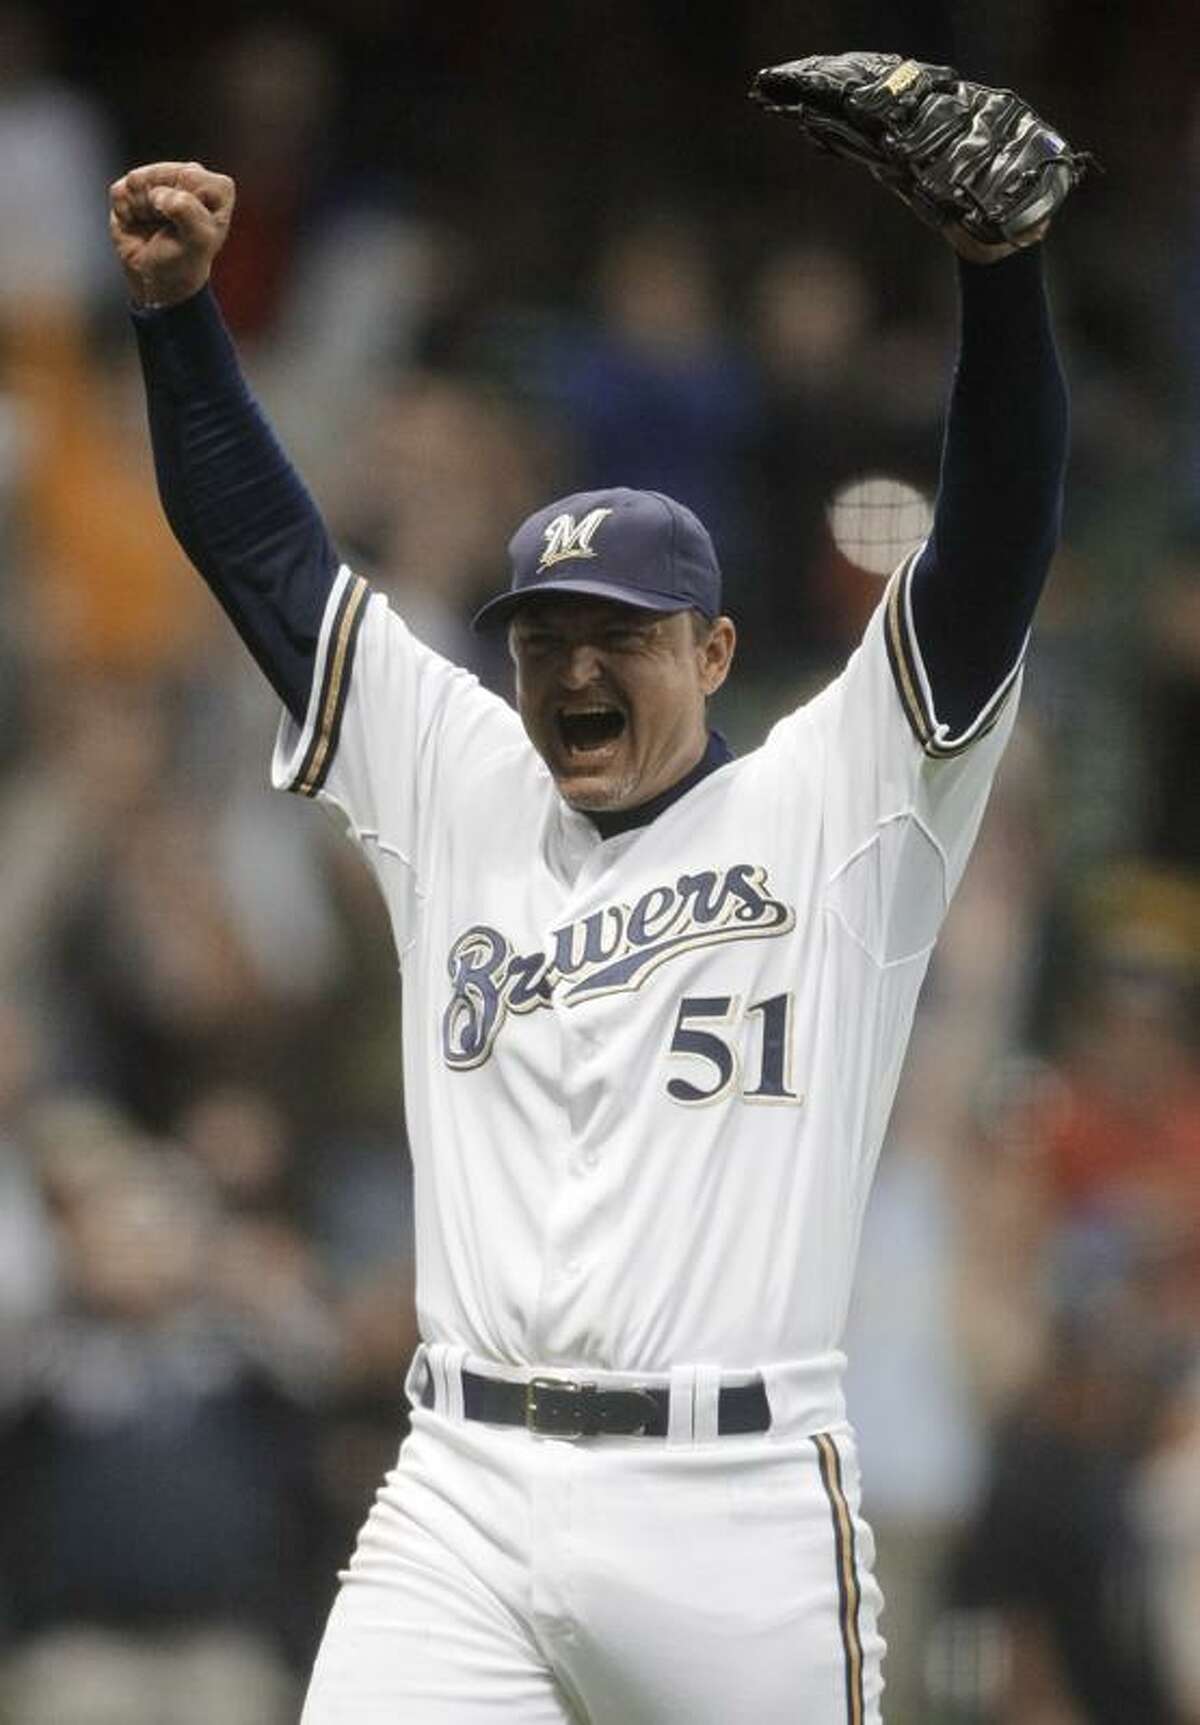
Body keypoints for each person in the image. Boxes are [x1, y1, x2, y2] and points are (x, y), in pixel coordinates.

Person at [108, 64, 1070, 1721]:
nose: (571, 671)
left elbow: (986, 557)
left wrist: (1003, 280)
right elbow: (271, 565)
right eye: (544, 640)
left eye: (616, 638)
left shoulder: (837, 800)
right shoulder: (462, 781)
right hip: (464, 1485)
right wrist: (185, 324)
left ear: (710, 650)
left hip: (736, 1498)